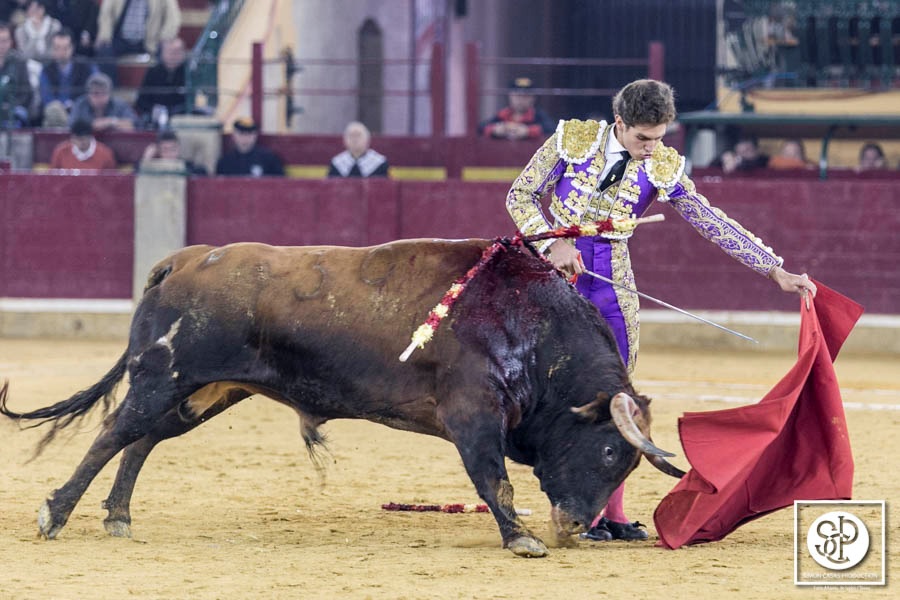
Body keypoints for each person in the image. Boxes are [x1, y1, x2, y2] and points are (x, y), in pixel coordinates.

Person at [506, 78, 817, 542]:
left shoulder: (663, 165)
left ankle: (610, 513)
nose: (652, 148)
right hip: (557, 282)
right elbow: (520, 195)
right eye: (642, 138)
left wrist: (774, 270)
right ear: (620, 124)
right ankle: (572, 506)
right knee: (560, 395)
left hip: (615, 285)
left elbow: (707, 219)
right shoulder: (573, 140)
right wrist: (556, 240)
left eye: (659, 137)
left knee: (617, 400)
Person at [95, 0, 181, 81]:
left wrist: (165, 38)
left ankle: (156, 91)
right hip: (121, 39)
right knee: (103, 51)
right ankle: (111, 91)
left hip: (149, 42)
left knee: (165, 54)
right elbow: (106, 14)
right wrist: (105, 36)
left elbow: (173, 18)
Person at [39, 28, 97, 127]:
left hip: (82, 112)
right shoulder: (46, 70)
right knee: (53, 112)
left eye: (65, 48)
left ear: (72, 48)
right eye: (57, 48)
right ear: (52, 49)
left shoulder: (86, 66)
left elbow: (95, 89)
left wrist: (75, 106)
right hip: (55, 115)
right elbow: (46, 98)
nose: (61, 53)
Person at [479, 76, 555, 140]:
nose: (521, 100)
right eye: (517, 96)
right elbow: (481, 128)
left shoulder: (538, 116)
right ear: (510, 97)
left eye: (525, 96)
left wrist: (527, 131)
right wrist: (495, 130)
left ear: (532, 98)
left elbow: (551, 130)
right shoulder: (503, 114)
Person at [134, 36, 186, 127]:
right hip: (155, 117)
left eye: (177, 52)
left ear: (183, 53)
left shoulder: (189, 73)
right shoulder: (153, 72)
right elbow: (141, 101)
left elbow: (194, 102)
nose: (173, 56)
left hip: (181, 118)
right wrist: (153, 109)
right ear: (162, 53)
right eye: (170, 52)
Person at [68, 71, 140, 131]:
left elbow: (132, 125)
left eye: (104, 93)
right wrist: (93, 125)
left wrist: (111, 121)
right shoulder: (80, 104)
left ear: (110, 93)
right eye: (95, 93)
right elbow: (72, 127)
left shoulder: (120, 105)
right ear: (88, 94)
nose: (100, 97)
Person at [215, 116, 285, 177]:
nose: (245, 138)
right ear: (234, 135)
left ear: (255, 135)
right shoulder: (226, 161)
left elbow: (280, 183)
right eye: (241, 133)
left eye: (249, 134)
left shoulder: (268, 159)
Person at [49, 117, 117, 170]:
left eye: (83, 139)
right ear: (72, 138)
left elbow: (111, 182)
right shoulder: (61, 152)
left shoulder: (105, 153)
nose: (80, 142)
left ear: (90, 137)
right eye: (77, 139)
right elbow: (53, 180)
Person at [0, 21, 32, 127]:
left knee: (19, 116)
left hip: (15, 109)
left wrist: (11, 106)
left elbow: (26, 92)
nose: (1, 45)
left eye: (4, 41)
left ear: (10, 42)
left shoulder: (19, 62)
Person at [139, 127, 206, 175]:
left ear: (178, 149)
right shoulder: (152, 169)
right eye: (165, 150)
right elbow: (135, 174)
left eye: (173, 149)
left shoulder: (188, 167)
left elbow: (203, 173)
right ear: (158, 151)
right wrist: (146, 159)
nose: (170, 154)